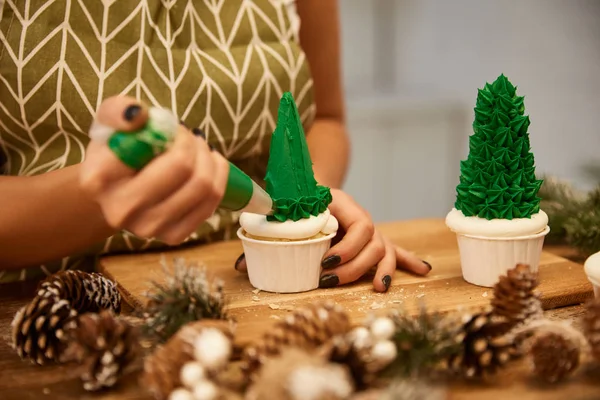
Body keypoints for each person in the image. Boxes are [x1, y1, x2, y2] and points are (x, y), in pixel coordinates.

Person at [0, 0, 431, 289]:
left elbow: (327, 119)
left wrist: (309, 202)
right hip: (47, 299)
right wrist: (97, 198)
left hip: (247, 283)